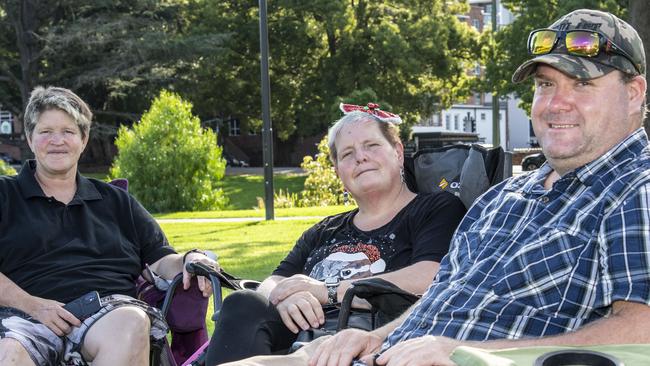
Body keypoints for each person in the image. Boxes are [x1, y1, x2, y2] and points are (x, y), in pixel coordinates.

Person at [220, 9, 650, 366]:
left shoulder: (635, 188)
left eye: (583, 84)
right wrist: (374, 338)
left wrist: (465, 353)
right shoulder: (504, 198)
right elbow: (443, 299)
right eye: (545, 85)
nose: (556, 103)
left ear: (634, 94)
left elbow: (641, 331)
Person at [205, 104, 467, 364]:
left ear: (398, 152)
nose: (361, 158)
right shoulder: (325, 230)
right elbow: (273, 281)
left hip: (367, 338)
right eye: (347, 154)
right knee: (243, 304)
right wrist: (284, 297)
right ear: (339, 172)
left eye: (372, 146)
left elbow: (431, 276)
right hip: (298, 332)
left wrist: (327, 291)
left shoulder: (435, 208)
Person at [0, 86, 218, 366]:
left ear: (83, 139)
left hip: (105, 311)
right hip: (24, 318)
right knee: (9, 354)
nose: (57, 141)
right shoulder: (6, 195)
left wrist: (191, 259)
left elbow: (162, 258)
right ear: (30, 138)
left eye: (68, 132)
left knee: (130, 323)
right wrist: (34, 305)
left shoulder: (117, 201)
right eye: (46, 132)